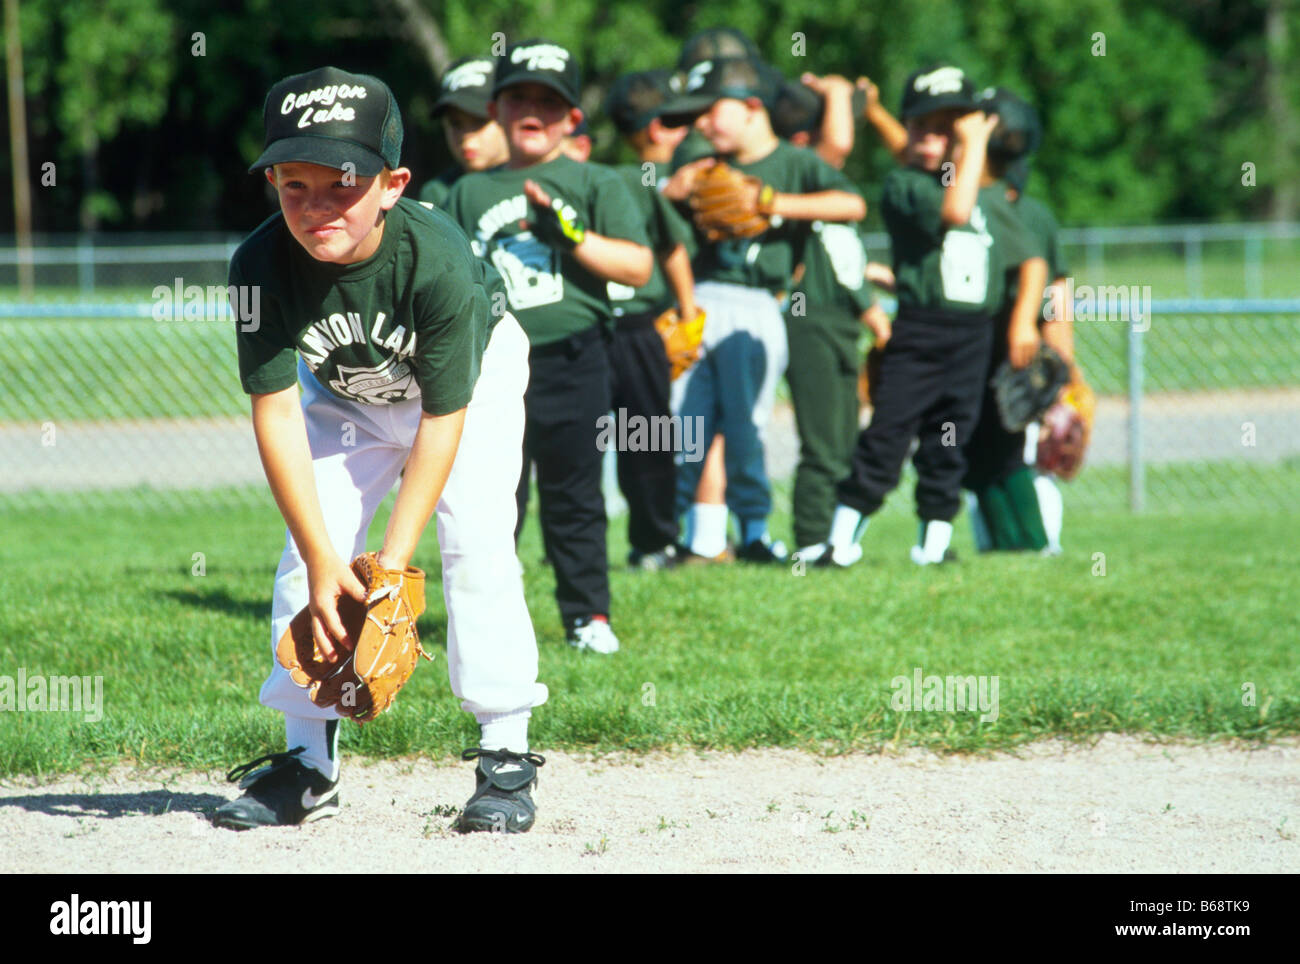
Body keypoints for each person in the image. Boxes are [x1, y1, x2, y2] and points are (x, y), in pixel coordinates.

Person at [214, 67, 548, 834]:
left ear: (393, 185)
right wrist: (327, 555)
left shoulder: (438, 259)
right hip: (348, 399)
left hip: (470, 384)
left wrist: (392, 562)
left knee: (476, 543)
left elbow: (442, 418)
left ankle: (504, 751)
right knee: (309, 562)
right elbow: (275, 412)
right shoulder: (259, 267)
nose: (314, 206)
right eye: (292, 184)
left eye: (342, 183)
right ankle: (307, 764)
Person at [445, 39, 653, 654]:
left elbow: (639, 267)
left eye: (549, 100)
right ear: (496, 108)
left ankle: (588, 617)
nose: (533, 109)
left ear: (572, 117)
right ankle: (484, 621)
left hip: (573, 357)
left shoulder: (594, 180)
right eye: (519, 97)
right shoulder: (467, 191)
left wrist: (572, 237)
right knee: (490, 498)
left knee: (574, 493)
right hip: (488, 367)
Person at [816, 64, 1047, 567]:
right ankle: (840, 541)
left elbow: (1029, 257)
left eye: (946, 128)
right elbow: (954, 210)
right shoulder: (907, 187)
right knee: (887, 435)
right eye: (920, 125)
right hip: (920, 333)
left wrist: (1025, 321)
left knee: (950, 441)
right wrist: (967, 142)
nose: (930, 138)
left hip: (974, 338)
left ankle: (934, 546)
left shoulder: (988, 195)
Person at [660, 54, 867, 564]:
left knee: (745, 427)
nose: (703, 123)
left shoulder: (795, 163)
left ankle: (753, 532)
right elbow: (660, 225)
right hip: (699, 300)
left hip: (757, 304)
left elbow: (852, 204)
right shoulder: (704, 164)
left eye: (712, 110)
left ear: (753, 106)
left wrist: (774, 202)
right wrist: (671, 190)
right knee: (685, 426)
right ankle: (695, 536)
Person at [768, 73, 891, 558]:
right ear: (802, 139)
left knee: (842, 437)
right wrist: (838, 92)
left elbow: (842, 254)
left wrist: (874, 274)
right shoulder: (800, 171)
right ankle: (813, 539)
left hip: (834, 322)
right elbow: (837, 144)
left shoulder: (816, 190)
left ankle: (834, 539)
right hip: (812, 320)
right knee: (823, 440)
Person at [602, 68, 702, 570]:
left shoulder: (671, 180)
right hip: (599, 325)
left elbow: (672, 247)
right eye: (675, 121)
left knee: (649, 437)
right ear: (649, 128)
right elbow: (674, 248)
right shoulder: (616, 179)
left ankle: (654, 541)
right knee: (580, 445)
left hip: (642, 326)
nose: (686, 131)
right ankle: (575, 546)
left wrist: (687, 314)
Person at [419, 55, 510, 207]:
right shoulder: (439, 194)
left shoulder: (541, 181)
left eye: (480, 121)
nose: (466, 137)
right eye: (455, 124)